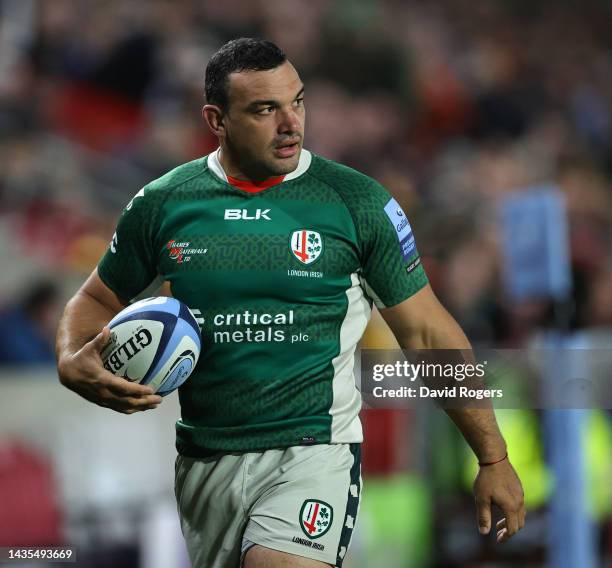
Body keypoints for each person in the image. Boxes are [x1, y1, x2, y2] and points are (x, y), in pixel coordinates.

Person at [56, 38, 525, 568]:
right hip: (205, 460)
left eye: (297, 102)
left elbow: (429, 335)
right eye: (264, 109)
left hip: (312, 451)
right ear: (217, 119)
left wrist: (493, 455)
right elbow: (95, 297)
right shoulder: (164, 203)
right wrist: (72, 358)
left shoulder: (357, 203)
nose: (290, 123)